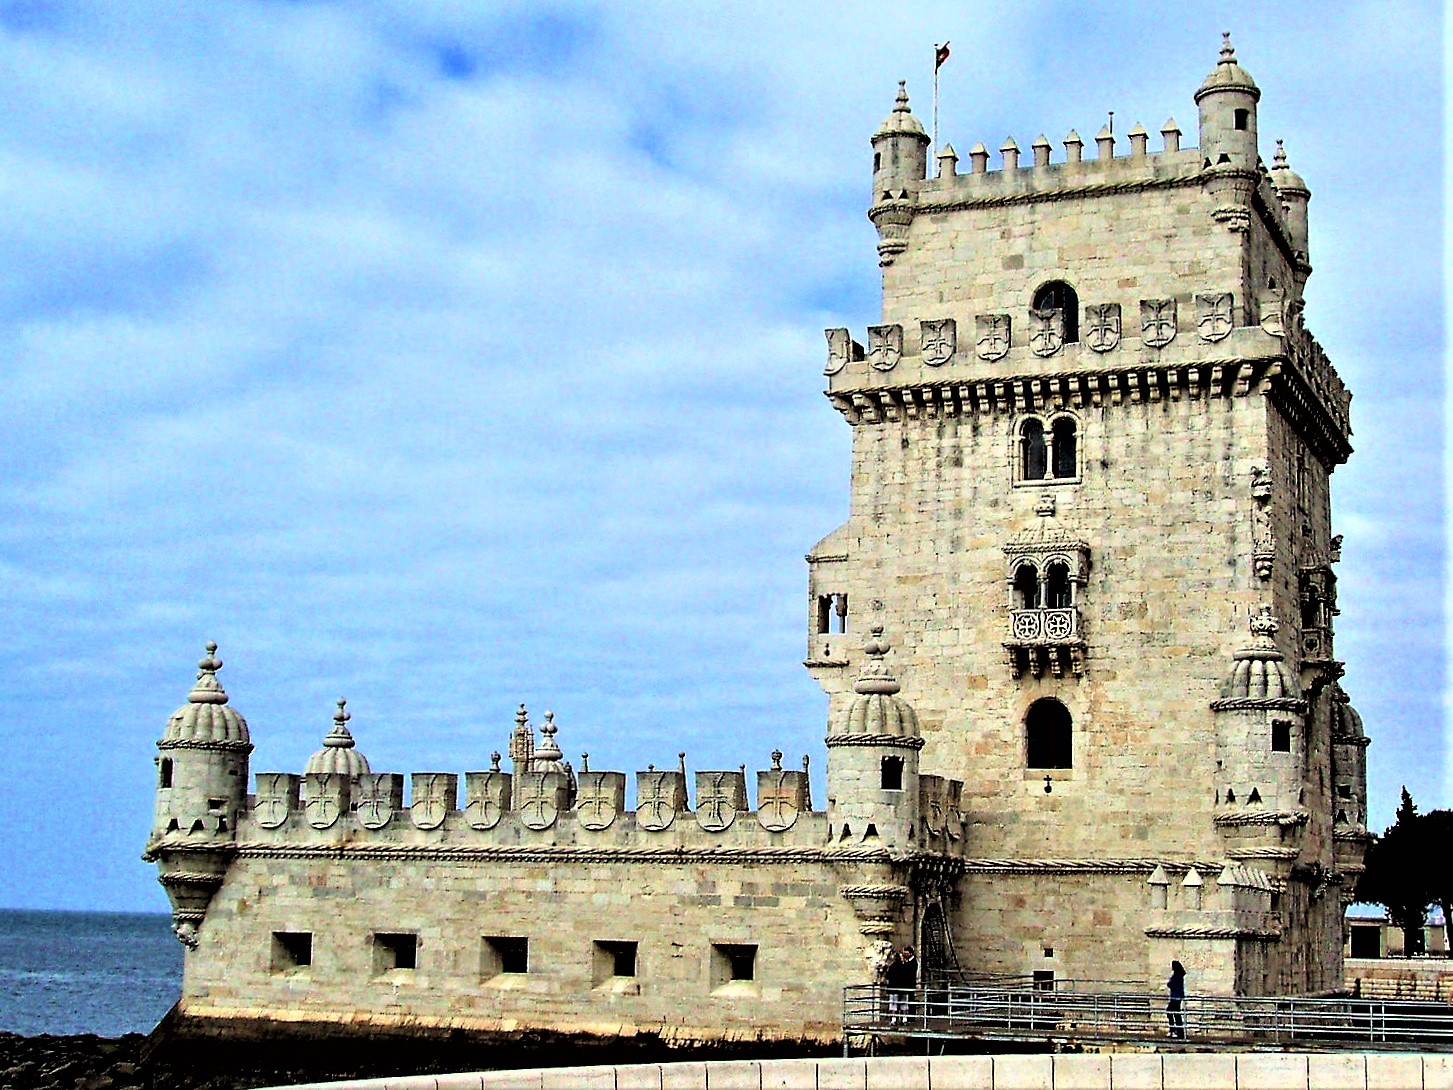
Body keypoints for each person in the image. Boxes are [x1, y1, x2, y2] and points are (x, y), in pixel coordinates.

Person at [886, 945, 918, 1024]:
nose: (904, 956)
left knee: (894, 1004)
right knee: (904, 1004)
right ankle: (904, 1019)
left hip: (896, 988)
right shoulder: (904, 966)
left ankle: (894, 1019)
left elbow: (888, 976)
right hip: (903, 987)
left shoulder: (893, 966)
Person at [1166, 960, 1187, 1040]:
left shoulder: (1178, 975)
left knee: (1173, 1013)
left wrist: (1170, 984)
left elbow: (1172, 984)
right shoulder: (1177, 975)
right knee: (1172, 1013)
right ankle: (1174, 1030)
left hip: (1176, 997)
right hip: (1175, 997)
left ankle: (1176, 1031)